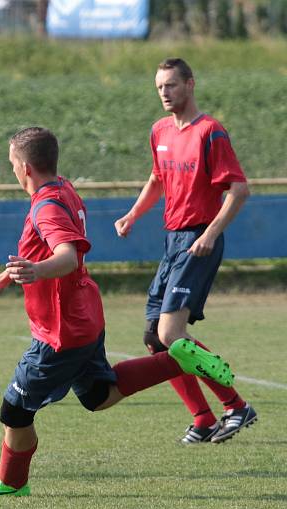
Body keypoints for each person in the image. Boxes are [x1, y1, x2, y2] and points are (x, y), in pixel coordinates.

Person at [0, 127, 234, 497]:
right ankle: (178, 359)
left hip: (59, 330)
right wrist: (5, 277)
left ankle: (11, 481)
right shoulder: (63, 189)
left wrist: (35, 271)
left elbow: (66, 256)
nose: (12, 170)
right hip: (84, 314)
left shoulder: (46, 206)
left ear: (24, 167)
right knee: (99, 395)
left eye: (12, 164)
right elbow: (44, 251)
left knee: (14, 412)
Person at [114, 58, 257, 445]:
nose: (164, 92)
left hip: (198, 240)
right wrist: (132, 214)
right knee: (154, 338)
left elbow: (239, 190)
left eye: (172, 85)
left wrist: (210, 233)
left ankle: (236, 405)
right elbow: (157, 178)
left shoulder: (210, 132)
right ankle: (204, 418)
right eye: (159, 86)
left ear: (190, 85)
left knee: (171, 332)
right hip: (172, 240)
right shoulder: (159, 130)